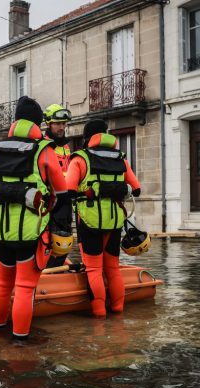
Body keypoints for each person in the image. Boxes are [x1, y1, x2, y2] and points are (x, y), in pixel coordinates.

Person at [0, 96, 72, 339]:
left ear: (15, 121)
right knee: (24, 287)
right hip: (30, 231)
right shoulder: (44, 151)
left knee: (3, 285)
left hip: (0, 231)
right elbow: (62, 193)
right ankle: (20, 340)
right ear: (39, 123)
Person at [66, 119, 141, 318]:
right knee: (113, 268)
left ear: (86, 138)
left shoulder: (80, 159)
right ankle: (118, 310)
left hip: (89, 221)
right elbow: (136, 187)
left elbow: (68, 189)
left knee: (93, 269)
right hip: (115, 220)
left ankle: (99, 314)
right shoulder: (121, 158)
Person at [43, 103, 73, 268]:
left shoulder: (66, 147)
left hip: (65, 203)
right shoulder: (44, 145)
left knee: (64, 242)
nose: (62, 127)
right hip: (50, 203)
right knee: (50, 243)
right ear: (49, 124)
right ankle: (48, 273)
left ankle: (57, 272)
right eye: (58, 124)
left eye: (64, 124)